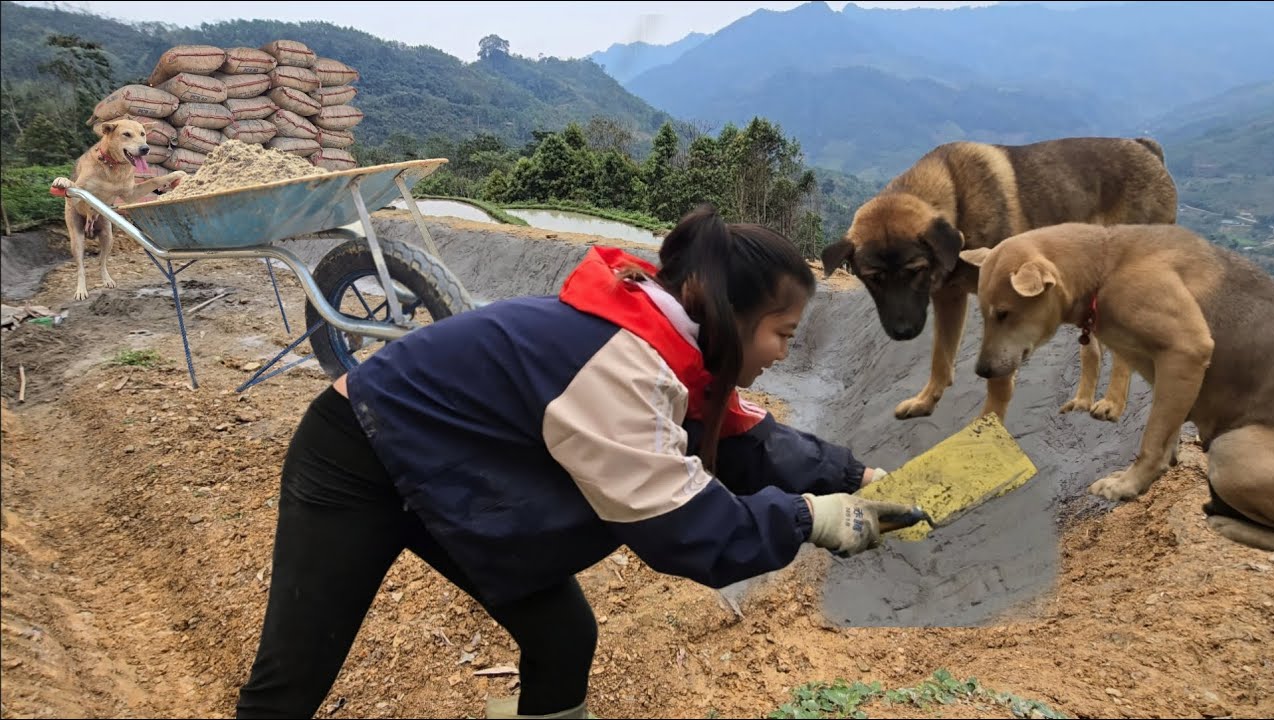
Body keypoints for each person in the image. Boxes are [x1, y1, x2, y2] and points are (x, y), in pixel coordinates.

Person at [235, 205, 916, 720]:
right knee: (294, 678)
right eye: (781, 333)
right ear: (727, 314)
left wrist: (851, 477)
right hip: (356, 454)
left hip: (445, 460)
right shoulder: (621, 368)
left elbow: (749, 440)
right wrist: (809, 519)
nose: (783, 353)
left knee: (562, 634)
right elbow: (686, 528)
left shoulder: (670, 344)